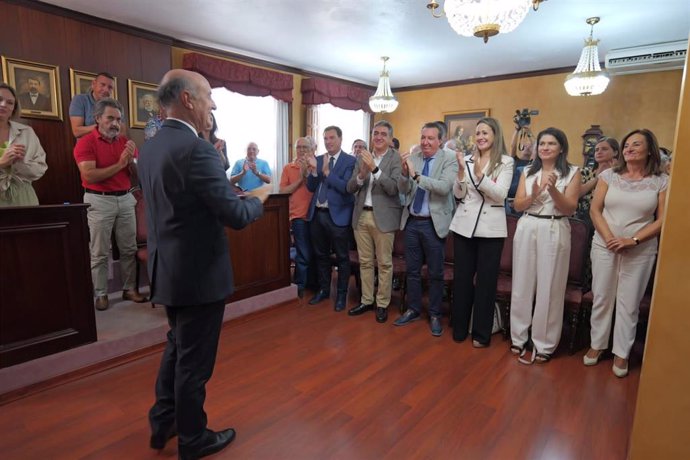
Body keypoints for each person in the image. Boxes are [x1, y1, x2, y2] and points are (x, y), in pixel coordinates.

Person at [139, 69, 269, 459]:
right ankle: (193, 440)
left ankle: (164, 421)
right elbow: (235, 214)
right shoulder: (197, 149)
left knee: (177, 348)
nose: (213, 104)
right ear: (188, 100)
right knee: (193, 364)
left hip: (168, 269)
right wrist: (257, 200)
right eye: (208, 95)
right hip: (198, 275)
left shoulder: (151, 146)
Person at [584, 129, 668, 378]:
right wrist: (609, 238)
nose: (629, 148)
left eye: (636, 144)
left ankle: (622, 353)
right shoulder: (609, 175)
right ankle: (597, 345)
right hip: (604, 244)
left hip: (640, 249)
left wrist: (633, 240)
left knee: (629, 303)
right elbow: (595, 209)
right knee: (602, 296)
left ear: (650, 150)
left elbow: (663, 219)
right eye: (627, 144)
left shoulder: (661, 180)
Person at [510, 127, 580, 363]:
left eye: (551, 143)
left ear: (561, 147)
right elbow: (518, 205)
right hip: (528, 225)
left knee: (550, 286)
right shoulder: (528, 171)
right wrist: (536, 192)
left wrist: (552, 190)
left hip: (555, 226)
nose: (545, 147)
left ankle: (544, 343)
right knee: (522, 283)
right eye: (542, 143)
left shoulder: (572, 172)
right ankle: (518, 337)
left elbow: (570, 208)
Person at [73, 98, 146, 311]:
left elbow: (138, 176)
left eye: (119, 119)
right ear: (97, 119)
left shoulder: (125, 142)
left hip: (125, 198)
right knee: (99, 250)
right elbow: (89, 175)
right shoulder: (85, 143)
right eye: (110, 118)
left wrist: (132, 163)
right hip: (98, 199)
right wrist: (120, 164)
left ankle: (130, 289)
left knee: (129, 248)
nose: (115, 123)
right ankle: (101, 293)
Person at [449, 117, 514, 346]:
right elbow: (459, 195)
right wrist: (460, 174)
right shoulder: (465, 159)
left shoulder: (505, 162)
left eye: (485, 133)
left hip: (491, 230)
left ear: (495, 135)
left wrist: (479, 175)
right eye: (477, 133)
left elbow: (500, 194)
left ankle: (481, 334)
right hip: (463, 226)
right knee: (462, 280)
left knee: (486, 284)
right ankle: (459, 328)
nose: (480, 137)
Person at [394, 122, 457, 336]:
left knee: (435, 273)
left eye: (430, 138)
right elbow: (403, 190)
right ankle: (413, 309)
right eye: (423, 138)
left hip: (433, 223)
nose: (425, 142)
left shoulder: (449, 159)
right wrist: (404, 175)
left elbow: (443, 187)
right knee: (411, 271)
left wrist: (416, 176)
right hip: (412, 221)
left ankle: (435, 314)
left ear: (440, 140)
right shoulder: (415, 157)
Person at [346, 120, 402, 323]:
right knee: (365, 262)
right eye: (375, 133)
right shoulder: (362, 156)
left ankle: (382, 304)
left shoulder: (395, 158)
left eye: (383, 134)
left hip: (384, 218)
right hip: (361, 215)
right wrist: (362, 174)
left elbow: (394, 188)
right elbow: (350, 187)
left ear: (389, 138)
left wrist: (375, 169)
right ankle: (367, 300)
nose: (378, 137)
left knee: (385, 263)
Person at [305, 125, 356, 311]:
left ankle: (341, 295)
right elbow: (311, 187)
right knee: (321, 255)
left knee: (342, 258)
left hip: (339, 216)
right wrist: (312, 171)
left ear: (340, 139)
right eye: (325, 138)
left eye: (332, 138)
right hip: (318, 214)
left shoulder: (350, 161)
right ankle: (324, 290)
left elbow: (346, 188)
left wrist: (327, 172)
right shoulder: (318, 159)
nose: (328, 142)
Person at [0, 83, 48, 206]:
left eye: (10, 102)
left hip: (24, 197)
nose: (4, 105)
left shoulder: (27, 132)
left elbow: (40, 168)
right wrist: (2, 162)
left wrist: (20, 164)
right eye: (0, 100)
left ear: (14, 109)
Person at [279, 137, 315, 298]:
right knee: (303, 252)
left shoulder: (316, 166)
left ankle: (313, 283)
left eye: (305, 147)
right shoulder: (288, 168)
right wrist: (300, 179)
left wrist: (308, 172)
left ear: (311, 149)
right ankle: (299, 285)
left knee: (314, 252)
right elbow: (283, 192)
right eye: (298, 147)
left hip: (315, 216)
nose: (301, 150)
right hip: (298, 216)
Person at [69, 72, 125, 139]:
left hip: (110, 146)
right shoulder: (80, 100)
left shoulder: (116, 105)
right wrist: (101, 126)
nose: (106, 90)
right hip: (88, 146)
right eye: (102, 85)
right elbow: (76, 132)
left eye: (110, 87)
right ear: (93, 84)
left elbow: (122, 132)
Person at [576, 136, 619, 223]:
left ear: (615, 152)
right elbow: (575, 194)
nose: (599, 152)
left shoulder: (621, 174)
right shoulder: (584, 172)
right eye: (596, 150)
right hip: (584, 219)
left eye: (604, 149)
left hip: (612, 218)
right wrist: (597, 178)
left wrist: (615, 173)